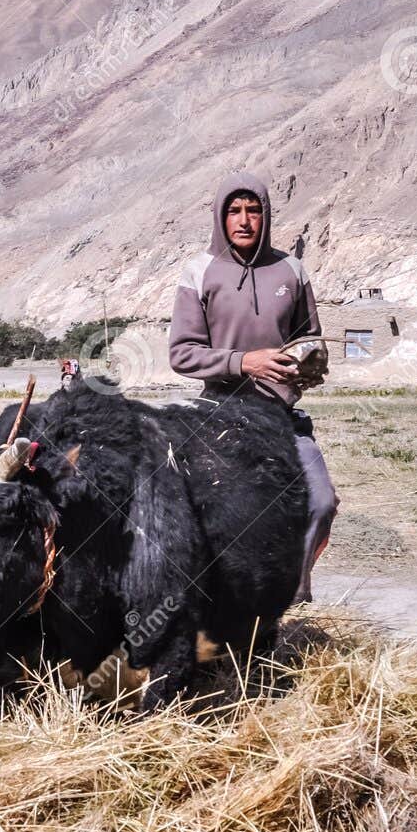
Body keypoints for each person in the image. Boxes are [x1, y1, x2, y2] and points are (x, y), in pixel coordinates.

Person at [167, 170, 337, 603]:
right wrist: (245, 362)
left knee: (319, 501)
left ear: (266, 216)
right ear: (220, 217)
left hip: (278, 420)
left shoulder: (292, 270)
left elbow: (310, 341)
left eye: (254, 210)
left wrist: (310, 365)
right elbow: (183, 354)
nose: (244, 220)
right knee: (214, 515)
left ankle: (286, 599)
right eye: (234, 211)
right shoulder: (200, 272)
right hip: (218, 417)